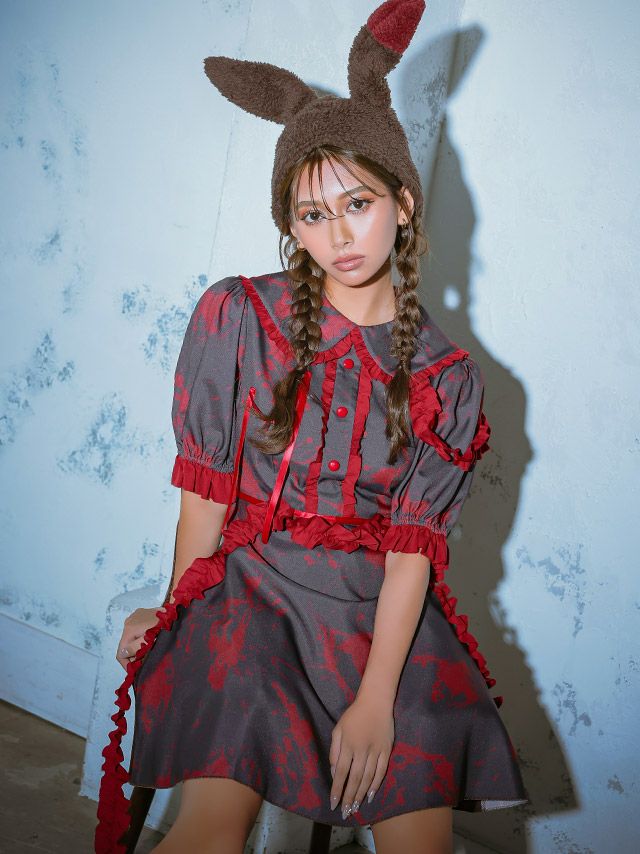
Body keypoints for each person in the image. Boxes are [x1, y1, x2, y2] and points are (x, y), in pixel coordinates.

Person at [94, 2, 528, 852]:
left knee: (419, 807)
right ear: (290, 226)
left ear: (403, 202)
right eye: (312, 214)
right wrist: (176, 611)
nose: (338, 235)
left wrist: (375, 702)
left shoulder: (448, 379)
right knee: (214, 825)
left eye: (357, 202)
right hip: (250, 593)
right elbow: (205, 498)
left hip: (379, 617)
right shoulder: (240, 317)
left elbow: (410, 552)